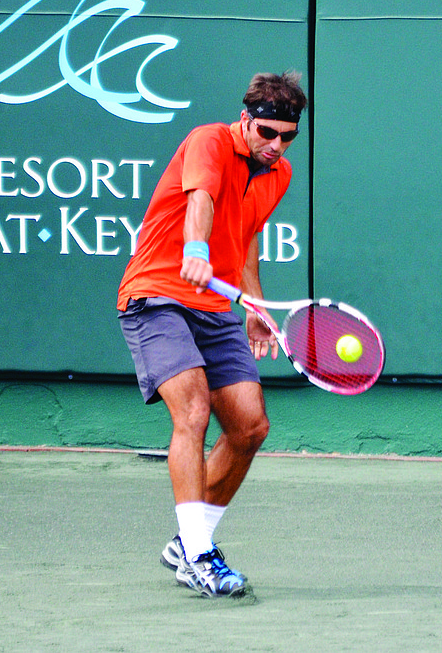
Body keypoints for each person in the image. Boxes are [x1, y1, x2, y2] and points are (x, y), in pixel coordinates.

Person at [116, 71, 308, 597]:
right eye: (267, 132)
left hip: (215, 308)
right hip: (157, 295)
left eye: (287, 137)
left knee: (250, 427)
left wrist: (256, 305)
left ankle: (187, 542)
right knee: (194, 410)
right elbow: (202, 198)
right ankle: (200, 555)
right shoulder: (209, 140)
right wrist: (196, 250)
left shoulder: (279, 173)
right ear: (245, 120)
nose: (276, 145)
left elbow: (246, 238)